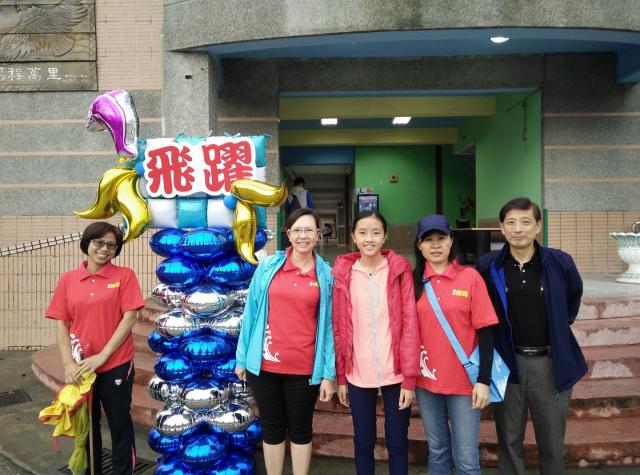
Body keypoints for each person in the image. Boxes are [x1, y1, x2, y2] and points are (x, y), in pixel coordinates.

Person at [477, 197, 586, 475]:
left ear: (538, 226)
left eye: (526, 222)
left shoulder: (559, 262)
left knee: (551, 441)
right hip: (507, 363)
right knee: (509, 439)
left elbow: (573, 297)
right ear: (502, 228)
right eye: (511, 222)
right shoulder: (489, 266)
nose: (518, 229)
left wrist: (559, 325)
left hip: (549, 363)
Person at [235, 207, 335, 475]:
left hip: (304, 369)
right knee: (272, 428)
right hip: (265, 367)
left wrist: (328, 373)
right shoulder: (268, 267)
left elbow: (329, 327)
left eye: (309, 230)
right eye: (297, 230)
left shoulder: (326, 274)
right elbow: (250, 313)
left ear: (318, 234)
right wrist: (242, 358)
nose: (303, 236)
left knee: (301, 430)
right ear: (288, 234)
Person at [44, 222, 145, 474]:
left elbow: (129, 317)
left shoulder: (124, 276)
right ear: (87, 243)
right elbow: (62, 323)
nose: (105, 249)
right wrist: (68, 364)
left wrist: (103, 356)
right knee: (87, 426)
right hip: (81, 367)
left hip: (116, 364)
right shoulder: (69, 279)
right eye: (99, 242)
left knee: (119, 424)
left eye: (111, 245)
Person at [332, 210, 420, 475]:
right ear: (353, 237)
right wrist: (341, 376)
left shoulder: (399, 270)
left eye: (375, 233)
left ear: (385, 236)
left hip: (396, 372)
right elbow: (339, 326)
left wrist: (409, 379)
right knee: (363, 441)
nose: (369, 239)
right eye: (362, 233)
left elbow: (410, 324)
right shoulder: (343, 274)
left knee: (398, 442)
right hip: (358, 372)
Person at [413, 214, 498, 475]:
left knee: (466, 458)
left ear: (451, 241)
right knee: (437, 450)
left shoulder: (470, 277)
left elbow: (486, 330)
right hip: (426, 381)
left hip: (464, 383)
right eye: (428, 240)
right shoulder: (413, 281)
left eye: (441, 238)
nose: (435, 245)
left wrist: (484, 380)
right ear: (419, 245)